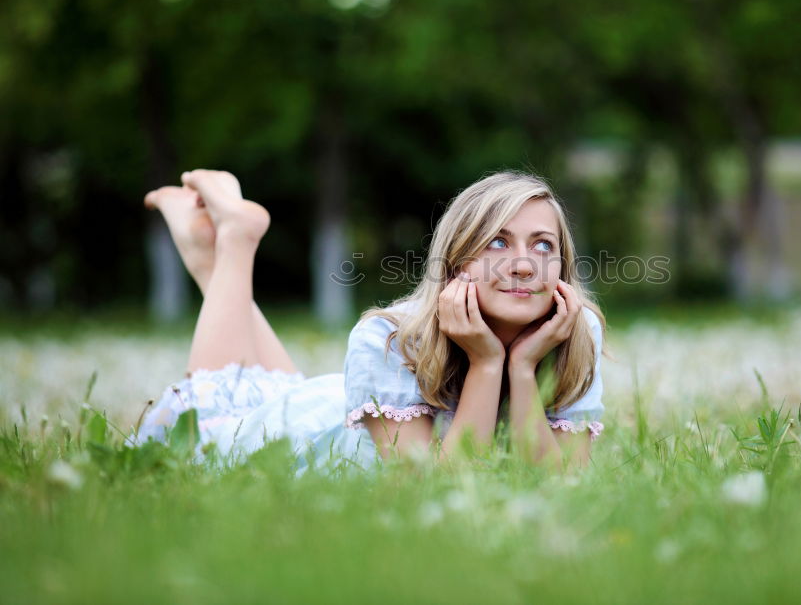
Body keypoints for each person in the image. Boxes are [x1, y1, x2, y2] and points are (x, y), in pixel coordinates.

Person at [135, 169, 607, 470]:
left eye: (543, 245)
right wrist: (486, 363)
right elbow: (436, 490)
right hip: (292, 440)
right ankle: (235, 241)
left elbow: (560, 482)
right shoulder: (390, 337)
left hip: (330, 409)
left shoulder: (573, 332)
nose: (524, 264)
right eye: (498, 243)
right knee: (216, 423)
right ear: (457, 261)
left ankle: (207, 256)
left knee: (270, 387)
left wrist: (523, 369)